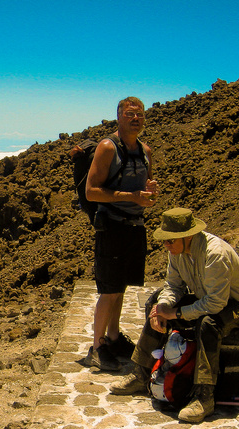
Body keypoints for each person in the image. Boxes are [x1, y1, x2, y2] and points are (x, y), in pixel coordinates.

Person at [114, 208, 239, 423]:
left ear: (188, 236)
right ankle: (141, 372)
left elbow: (216, 303)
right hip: (207, 298)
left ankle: (204, 396)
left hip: (237, 304)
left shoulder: (215, 254)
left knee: (209, 324)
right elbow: (173, 286)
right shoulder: (176, 251)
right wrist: (163, 307)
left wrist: (177, 313)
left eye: (170, 240)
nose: (166, 245)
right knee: (156, 302)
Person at [84, 96, 157, 373]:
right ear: (119, 117)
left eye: (139, 114)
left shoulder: (145, 151)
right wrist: (132, 196)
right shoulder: (107, 147)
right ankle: (98, 346)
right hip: (112, 226)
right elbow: (92, 192)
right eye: (129, 114)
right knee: (109, 289)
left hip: (134, 227)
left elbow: (144, 191)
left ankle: (113, 338)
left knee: (121, 287)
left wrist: (148, 195)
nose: (135, 119)